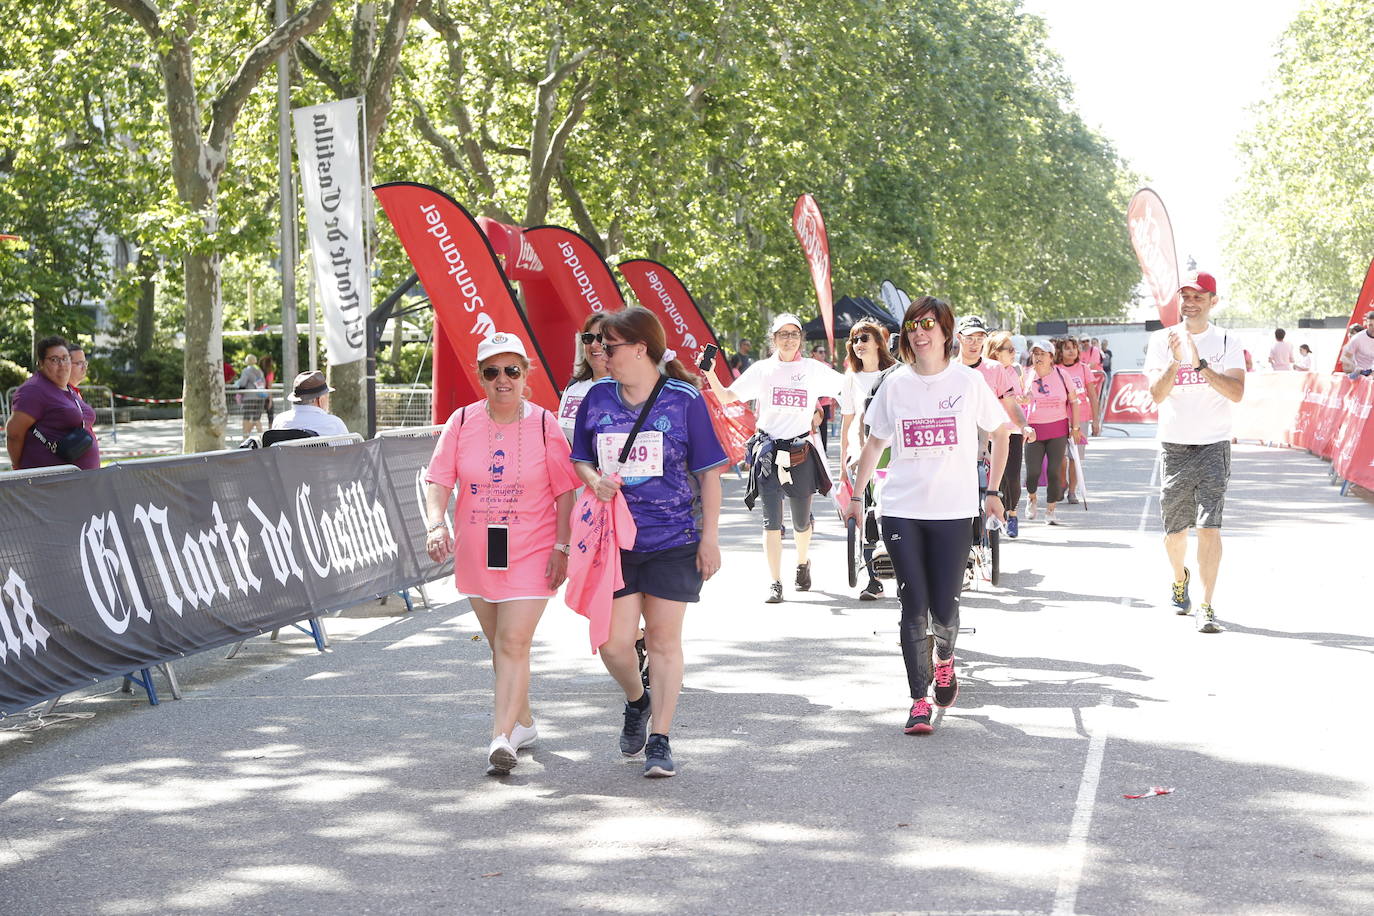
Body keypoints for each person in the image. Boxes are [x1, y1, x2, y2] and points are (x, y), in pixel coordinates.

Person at [570, 307, 727, 778]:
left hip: (672, 538)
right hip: (613, 540)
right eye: (596, 342)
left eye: (609, 344)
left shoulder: (683, 400)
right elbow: (579, 456)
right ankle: (637, 700)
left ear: (640, 349)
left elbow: (710, 475)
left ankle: (660, 738)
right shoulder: (596, 397)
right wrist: (593, 479)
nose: (600, 351)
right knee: (614, 645)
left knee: (663, 641)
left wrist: (710, 538)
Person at [843, 296, 1010, 735]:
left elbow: (1001, 431)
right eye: (912, 325)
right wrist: (857, 498)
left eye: (928, 324)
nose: (919, 332)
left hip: (954, 512)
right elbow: (874, 445)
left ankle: (944, 661)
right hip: (901, 510)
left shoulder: (968, 383)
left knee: (945, 612)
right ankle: (918, 700)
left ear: (945, 332)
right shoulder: (895, 385)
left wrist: (992, 490)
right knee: (912, 606)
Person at [423, 332, 579, 775]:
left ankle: (501, 738)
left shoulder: (545, 424)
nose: (503, 379)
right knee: (499, 645)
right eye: (492, 371)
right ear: (481, 376)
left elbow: (566, 490)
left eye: (512, 370)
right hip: (480, 545)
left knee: (514, 641)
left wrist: (561, 546)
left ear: (525, 375)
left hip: (532, 546)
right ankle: (524, 723)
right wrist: (437, 523)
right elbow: (439, 478)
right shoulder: (462, 421)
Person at [705, 313, 844, 603]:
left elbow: (848, 388)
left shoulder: (813, 370)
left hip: (800, 454)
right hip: (768, 454)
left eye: (794, 333)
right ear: (774, 338)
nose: (789, 338)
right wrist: (709, 374)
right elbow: (728, 396)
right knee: (771, 523)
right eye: (783, 333)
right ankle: (775, 581)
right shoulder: (762, 369)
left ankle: (802, 563)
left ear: (801, 339)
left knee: (802, 523)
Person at [1143, 270, 1246, 634]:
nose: (1189, 302)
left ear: (1212, 301)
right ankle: (1179, 576)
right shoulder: (1161, 340)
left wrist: (1200, 364)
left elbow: (1235, 392)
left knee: (1209, 527)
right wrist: (1177, 359)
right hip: (1174, 445)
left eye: (1198, 296)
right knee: (1174, 533)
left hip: (1214, 444)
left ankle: (1207, 605)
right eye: (1184, 295)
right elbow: (1155, 395)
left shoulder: (1226, 341)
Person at [838, 319, 897, 599]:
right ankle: (874, 580)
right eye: (854, 340)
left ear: (878, 342)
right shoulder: (851, 377)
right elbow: (847, 422)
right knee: (866, 510)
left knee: (891, 511)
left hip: (891, 451)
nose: (858, 344)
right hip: (859, 451)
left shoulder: (896, 373)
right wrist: (841, 467)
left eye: (863, 338)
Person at [6, 335, 100, 471]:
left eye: (65, 358)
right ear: (41, 363)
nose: (62, 364)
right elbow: (14, 434)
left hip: (82, 481)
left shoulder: (67, 388)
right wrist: (18, 468)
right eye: (54, 359)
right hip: (51, 484)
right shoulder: (33, 390)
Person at [1021, 339, 1078, 525]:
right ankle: (1032, 497)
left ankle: (1051, 510)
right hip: (1034, 430)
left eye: (1042, 354)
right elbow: (1019, 401)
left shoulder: (1062, 375)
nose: (1038, 358)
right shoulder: (1027, 375)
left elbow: (1074, 401)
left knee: (1054, 471)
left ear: (1051, 357)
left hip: (1057, 428)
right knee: (1033, 472)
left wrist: (1075, 427)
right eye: (1035, 354)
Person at [984, 330, 1033, 538]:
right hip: (987, 432)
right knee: (995, 477)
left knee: (1012, 476)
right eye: (1009, 350)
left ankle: (1012, 514)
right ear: (996, 352)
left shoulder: (1016, 370)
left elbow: (1017, 397)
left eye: (1015, 349)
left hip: (1011, 430)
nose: (1014, 353)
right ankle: (995, 515)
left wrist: (1023, 401)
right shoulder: (983, 371)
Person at [1054, 336, 1100, 504]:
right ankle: (1062, 482)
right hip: (1059, 419)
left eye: (1074, 347)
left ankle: (1072, 491)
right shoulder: (1055, 369)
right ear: (1060, 351)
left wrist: (1096, 420)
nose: (1071, 351)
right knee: (1060, 457)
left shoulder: (1084, 369)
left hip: (1081, 419)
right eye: (1067, 348)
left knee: (1075, 458)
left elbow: (1093, 396)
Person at [557, 313, 610, 442]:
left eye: (600, 338)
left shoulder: (628, 387)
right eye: (588, 338)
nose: (593, 344)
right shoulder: (573, 387)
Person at [272, 370, 350, 437]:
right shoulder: (334, 424)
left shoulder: (279, 422)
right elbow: (348, 453)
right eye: (327, 397)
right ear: (321, 400)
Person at [232, 354, 268, 438]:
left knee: (247, 417)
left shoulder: (246, 371)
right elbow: (264, 383)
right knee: (257, 418)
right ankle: (262, 437)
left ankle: (245, 437)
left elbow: (243, 383)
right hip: (260, 397)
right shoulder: (259, 370)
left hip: (249, 397)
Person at [259, 354, 277, 424]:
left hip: (259, 395)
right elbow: (269, 386)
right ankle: (270, 432)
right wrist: (270, 400)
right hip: (266, 396)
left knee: (257, 418)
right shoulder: (270, 373)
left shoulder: (258, 372)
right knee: (270, 417)